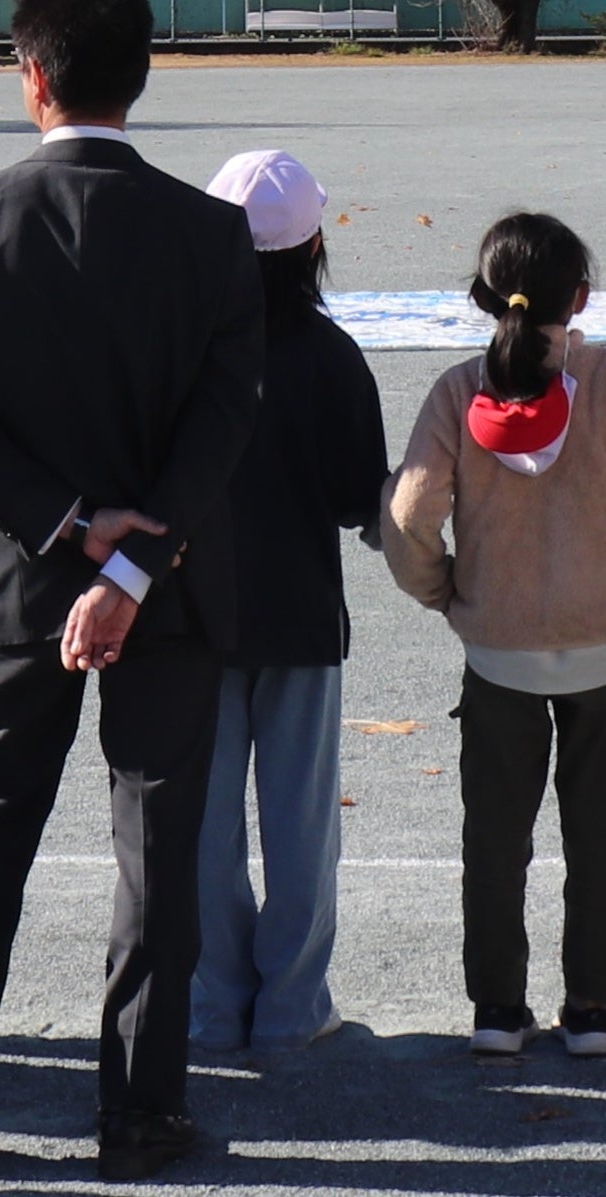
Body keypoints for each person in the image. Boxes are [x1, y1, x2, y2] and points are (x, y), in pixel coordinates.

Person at [0, 0, 265, 1183]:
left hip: (16, 586)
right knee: (161, 843)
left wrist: (65, 528)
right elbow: (224, 418)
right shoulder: (212, 234)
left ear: (32, 77)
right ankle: (143, 1112)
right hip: (171, 588)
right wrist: (135, 560)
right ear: (140, 78)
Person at [384, 210, 606, 1061]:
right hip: (602, 648)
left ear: (483, 297)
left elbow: (409, 515)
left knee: (494, 836)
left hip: (498, 652)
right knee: (599, 833)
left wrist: (446, 593)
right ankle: (591, 1004)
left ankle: (496, 1006)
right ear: (582, 296)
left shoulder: (456, 391)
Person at [190, 151, 388, 1059]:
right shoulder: (332, 355)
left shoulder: (181, 347)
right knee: (301, 821)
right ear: (312, 243)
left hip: (192, 615)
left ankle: (211, 1000)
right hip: (301, 615)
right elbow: (360, 499)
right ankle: (293, 1005)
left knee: (200, 822)